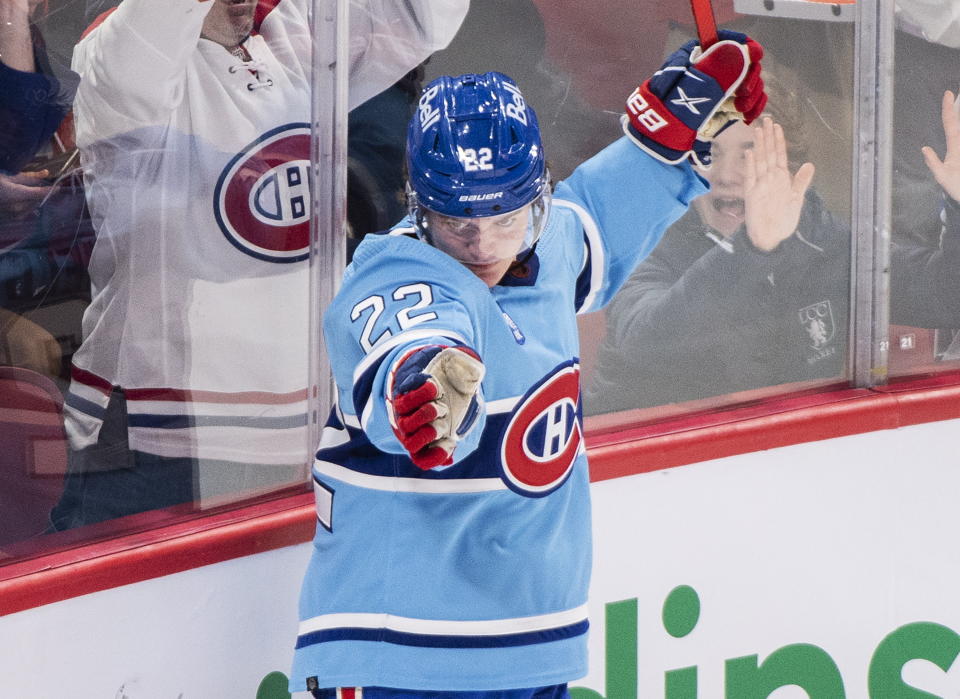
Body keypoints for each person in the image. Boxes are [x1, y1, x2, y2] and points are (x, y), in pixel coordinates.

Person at [290, 30, 766, 696]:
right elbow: (407, 335)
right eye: (456, 222)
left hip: (533, 652)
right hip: (394, 653)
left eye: (505, 217)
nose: (482, 242)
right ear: (417, 207)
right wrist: (421, 387)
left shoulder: (554, 239)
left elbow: (607, 201)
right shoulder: (394, 274)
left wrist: (689, 121)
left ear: (538, 199)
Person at [49, 0, 469, 530]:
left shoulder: (293, 32)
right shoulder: (122, 52)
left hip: (308, 425)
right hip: (156, 435)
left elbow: (427, 13)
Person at [586, 90, 848, 414]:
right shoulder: (642, 236)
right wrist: (752, 250)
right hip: (654, 455)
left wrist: (933, 214)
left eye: (749, 155)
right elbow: (647, 339)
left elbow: (911, 280)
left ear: (789, 169)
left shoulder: (819, 232)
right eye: (709, 154)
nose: (725, 176)